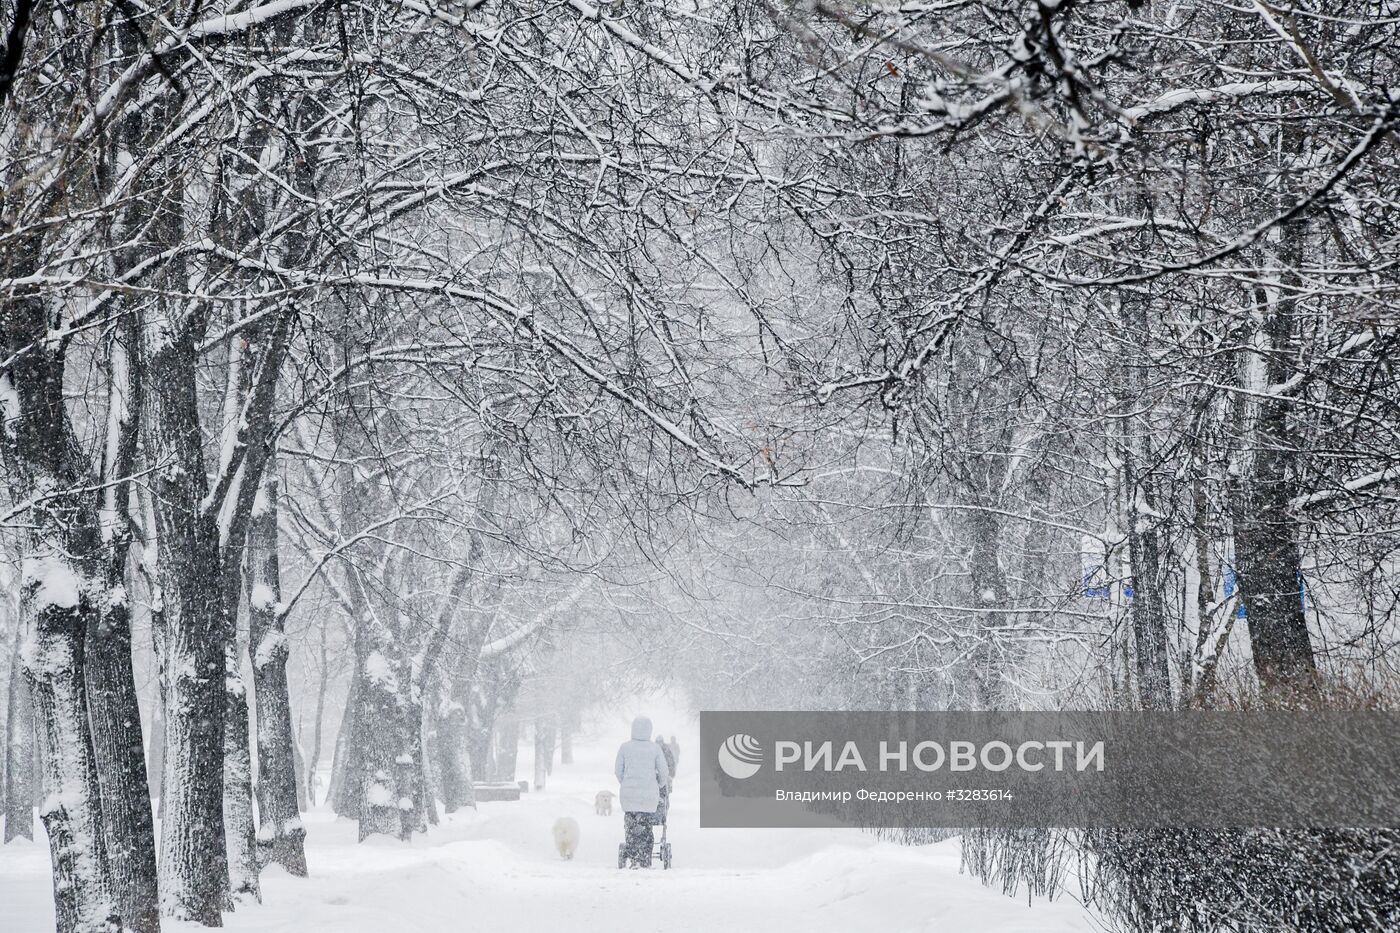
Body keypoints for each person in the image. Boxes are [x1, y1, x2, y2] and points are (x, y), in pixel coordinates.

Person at [615, 715, 670, 868]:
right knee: (646, 827)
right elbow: (664, 773)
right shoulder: (655, 749)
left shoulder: (625, 747)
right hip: (648, 797)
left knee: (631, 827)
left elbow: (618, 771)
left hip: (629, 796)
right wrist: (658, 785)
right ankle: (645, 858)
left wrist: (625, 783)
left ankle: (633, 857)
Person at [653, 735, 677, 825]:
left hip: (665, 775)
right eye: (658, 742)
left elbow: (671, 762)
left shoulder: (666, 750)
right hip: (655, 776)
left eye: (660, 742)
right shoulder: (653, 750)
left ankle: (664, 808)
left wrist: (671, 774)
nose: (659, 744)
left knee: (666, 793)